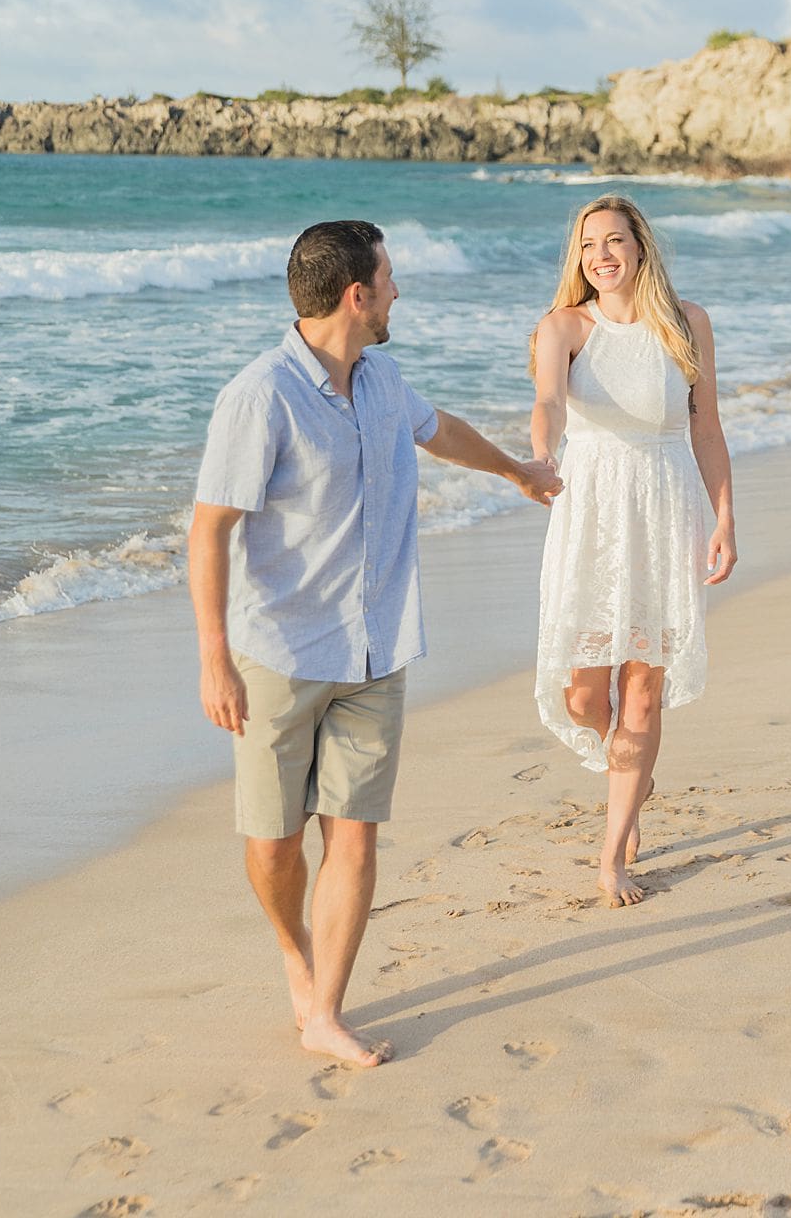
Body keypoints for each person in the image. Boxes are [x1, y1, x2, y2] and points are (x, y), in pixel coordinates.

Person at [189, 218, 561, 1068]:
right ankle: (296, 952)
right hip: (279, 653)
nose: (398, 291)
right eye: (390, 279)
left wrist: (515, 470)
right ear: (357, 295)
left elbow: (442, 431)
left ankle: (324, 1011)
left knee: (354, 835)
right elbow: (209, 531)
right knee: (275, 846)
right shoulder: (260, 396)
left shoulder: (385, 379)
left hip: (376, 646)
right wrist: (214, 657)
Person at [529, 194, 736, 908]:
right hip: (590, 513)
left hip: (665, 509)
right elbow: (550, 402)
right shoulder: (564, 326)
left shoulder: (687, 323)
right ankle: (631, 775)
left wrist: (725, 517)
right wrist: (539, 452)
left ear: (641, 247)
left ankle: (612, 855)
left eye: (615, 240)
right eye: (589, 246)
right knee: (587, 696)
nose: (602, 255)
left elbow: (705, 427)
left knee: (642, 690)